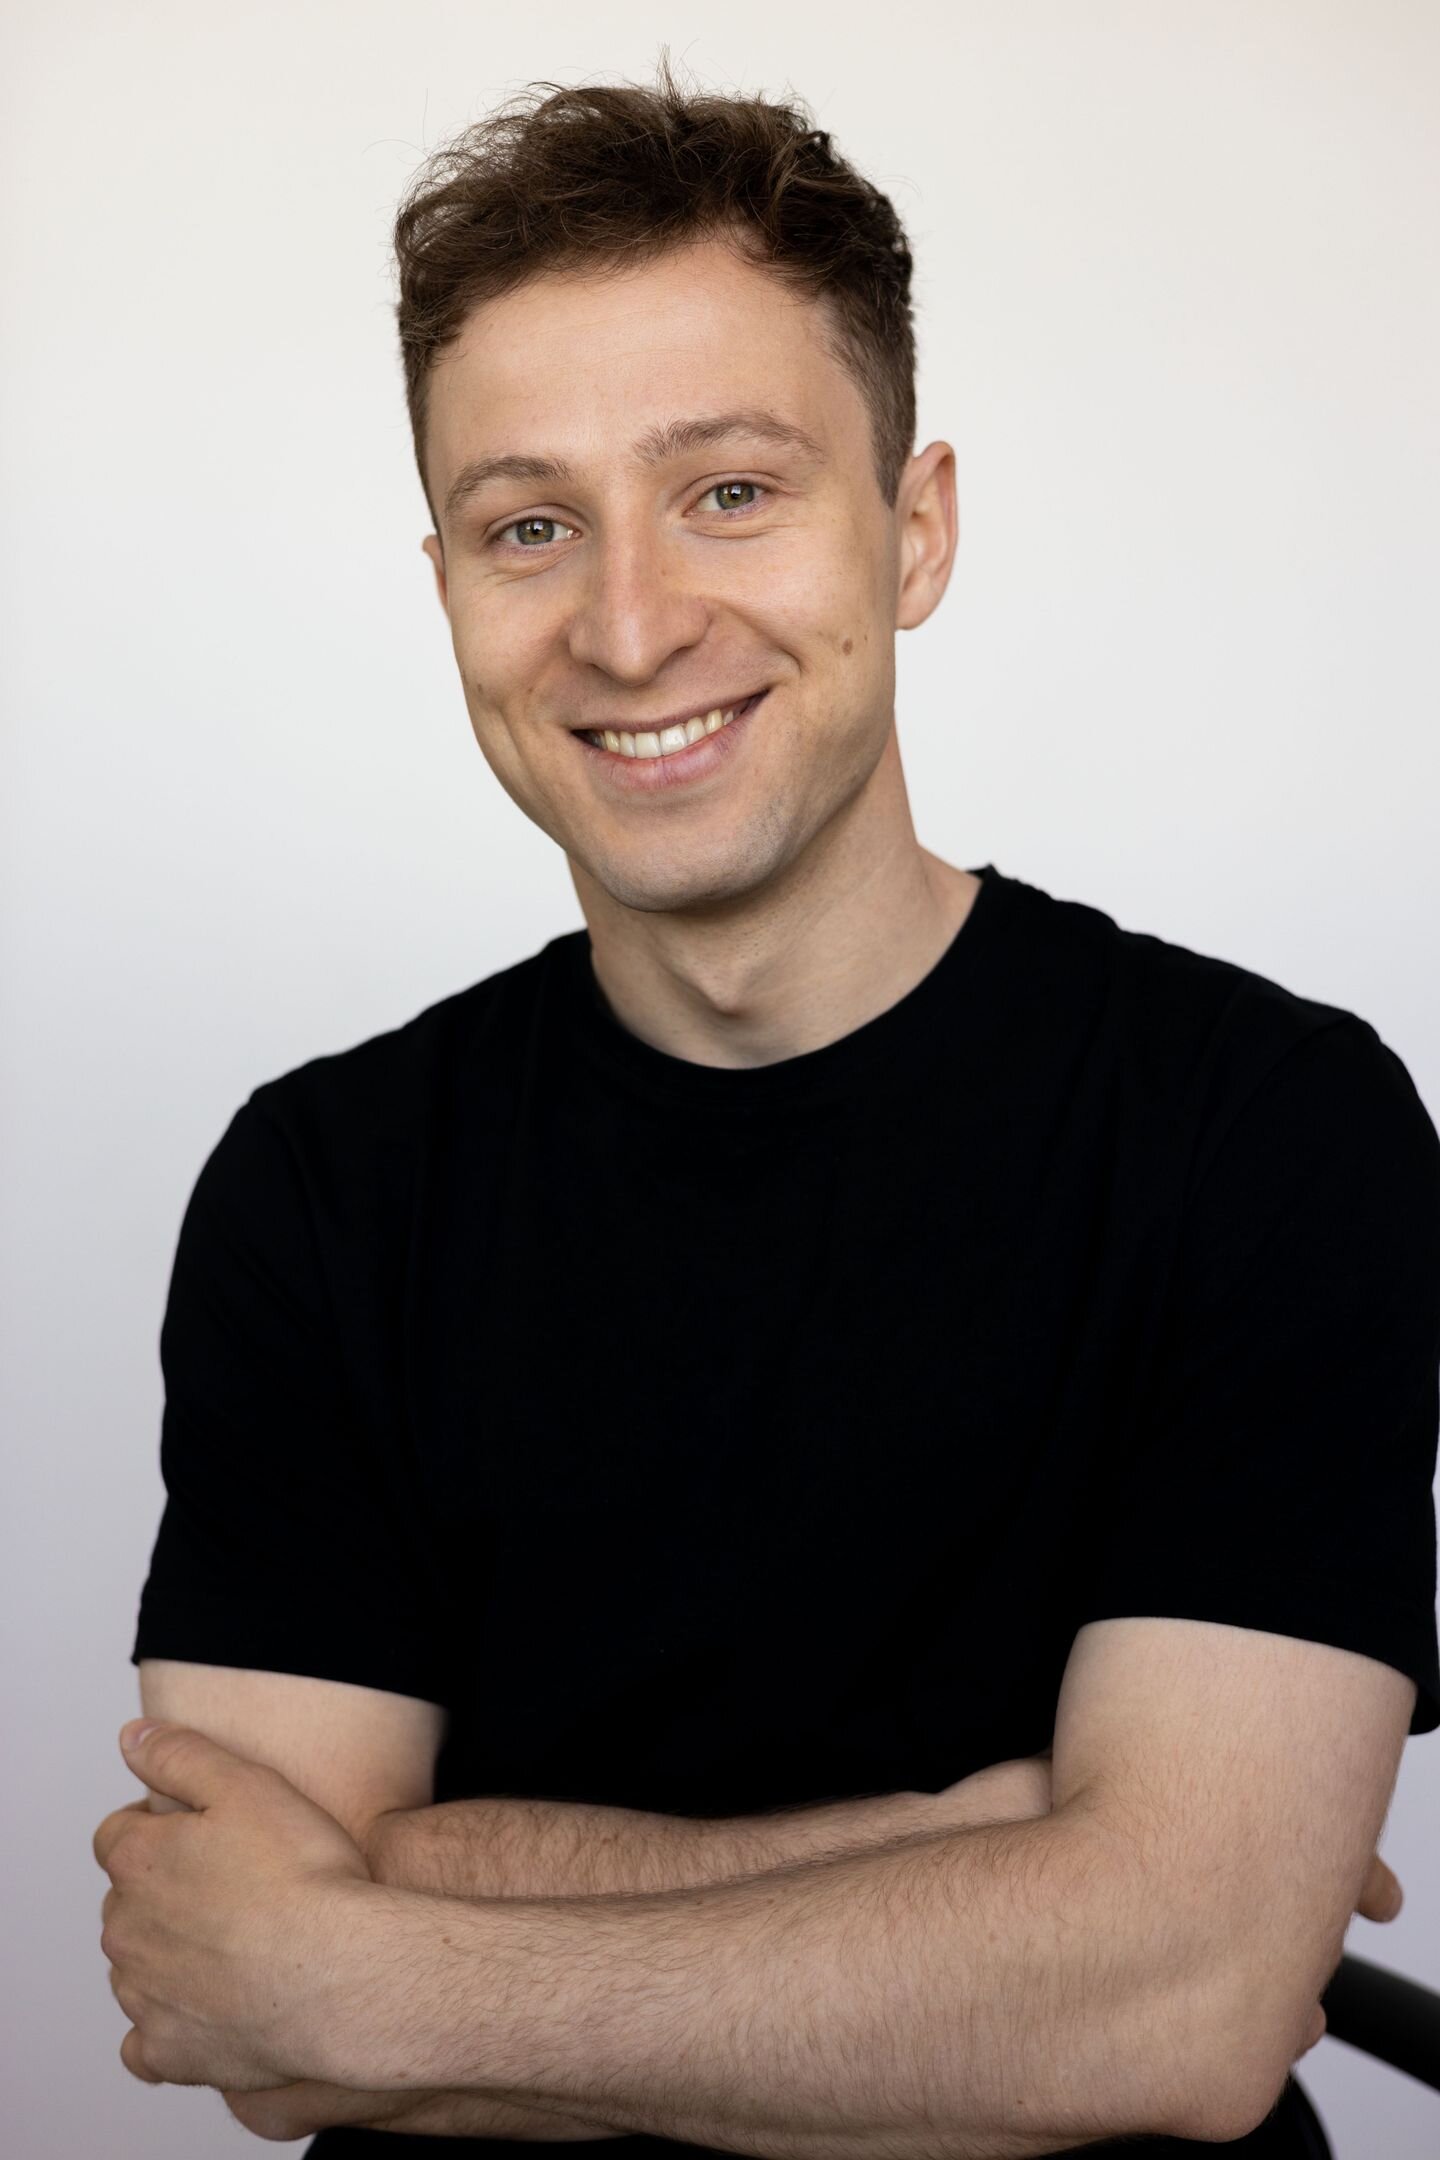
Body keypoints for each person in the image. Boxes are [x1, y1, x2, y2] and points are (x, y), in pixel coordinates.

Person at [125, 52, 1440, 2160]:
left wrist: (389, 1949)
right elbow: (250, 2007)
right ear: (447, 585)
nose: (632, 624)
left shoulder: (1270, 1131)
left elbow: (1185, 2007)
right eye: (530, 525)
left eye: (730, 491)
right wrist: (1001, 1857)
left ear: (914, 533)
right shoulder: (325, 1188)